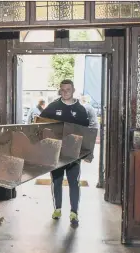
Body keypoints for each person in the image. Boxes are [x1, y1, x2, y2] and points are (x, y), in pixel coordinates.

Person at [39, 79, 97, 227]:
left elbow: (86, 134)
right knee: (56, 182)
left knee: (74, 183)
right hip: (56, 154)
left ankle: (74, 213)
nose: (65, 92)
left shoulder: (81, 110)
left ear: (73, 90)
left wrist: (88, 154)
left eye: (68, 90)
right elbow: (39, 125)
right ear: (60, 91)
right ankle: (57, 209)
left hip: (73, 155)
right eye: (63, 90)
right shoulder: (53, 107)